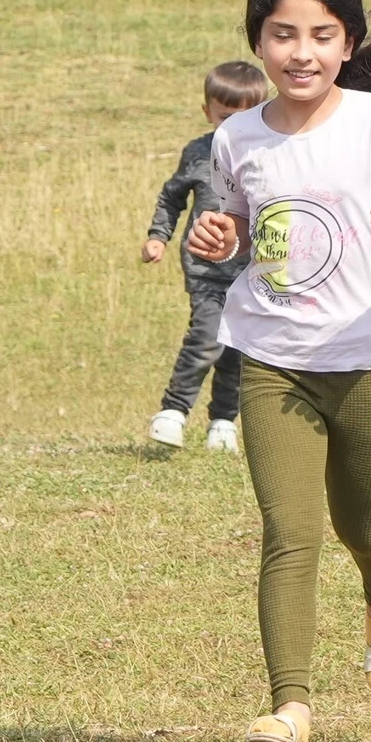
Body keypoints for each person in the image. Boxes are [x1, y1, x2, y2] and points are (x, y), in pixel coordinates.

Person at [181, 0, 371, 742]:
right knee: (291, 532)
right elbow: (234, 221)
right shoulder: (236, 137)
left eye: (321, 35)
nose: (300, 52)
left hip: (368, 362)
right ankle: (289, 711)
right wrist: (215, 236)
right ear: (258, 41)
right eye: (282, 35)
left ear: (348, 44)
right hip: (272, 361)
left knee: (363, 524)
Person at [140, 58, 270, 453]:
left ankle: (223, 423)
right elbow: (172, 196)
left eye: (246, 117)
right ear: (208, 113)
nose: (234, 126)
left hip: (254, 270)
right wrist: (158, 235)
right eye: (225, 116)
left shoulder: (271, 153)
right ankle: (173, 413)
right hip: (206, 268)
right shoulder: (198, 152)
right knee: (206, 337)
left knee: (237, 349)